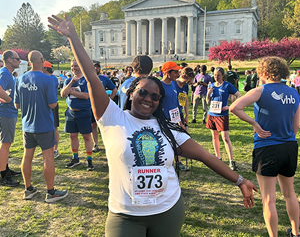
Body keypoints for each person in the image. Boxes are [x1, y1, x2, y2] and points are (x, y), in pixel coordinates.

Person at [48, 14, 257, 237]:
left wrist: (240, 181)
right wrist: (73, 38)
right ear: (131, 93)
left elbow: (207, 157)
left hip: (168, 211)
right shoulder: (112, 117)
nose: (149, 99)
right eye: (143, 92)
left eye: (156, 97)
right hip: (125, 214)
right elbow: (91, 76)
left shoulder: (168, 130)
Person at [230, 57, 300, 237]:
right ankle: (296, 232)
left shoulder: (261, 90)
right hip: (289, 146)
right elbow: (295, 126)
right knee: (290, 193)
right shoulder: (294, 93)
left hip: (267, 147)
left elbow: (235, 107)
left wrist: (255, 124)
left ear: (264, 72)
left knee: (269, 200)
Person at [14, 50, 68, 202]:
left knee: (27, 156)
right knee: (48, 157)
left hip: (27, 125)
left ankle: (28, 189)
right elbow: (53, 104)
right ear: (42, 60)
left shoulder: (20, 79)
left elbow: (17, 104)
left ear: (30, 62)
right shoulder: (48, 79)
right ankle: (51, 192)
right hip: (44, 125)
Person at [61, 59, 95, 171]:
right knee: (72, 136)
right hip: (71, 112)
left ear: (81, 66)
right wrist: (71, 83)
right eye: (72, 66)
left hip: (83, 112)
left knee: (86, 136)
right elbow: (62, 94)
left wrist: (71, 91)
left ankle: (89, 160)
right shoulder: (68, 80)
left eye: (76, 66)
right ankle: (75, 158)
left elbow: (86, 96)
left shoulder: (86, 80)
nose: (74, 68)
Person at [206, 67, 241, 171]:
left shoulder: (227, 85)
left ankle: (231, 161)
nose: (216, 77)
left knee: (225, 138)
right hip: (211, 114)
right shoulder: (211, 85)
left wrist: (230, 107)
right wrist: (209, 92)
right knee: (214, 136)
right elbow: (208, 101)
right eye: (215, 75)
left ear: (223, 76)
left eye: (218, 75)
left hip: (222, 115)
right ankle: (218, 158)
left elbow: (239, 96)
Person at [161, 61, 188, 171]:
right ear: (168, 72)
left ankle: (177, 162)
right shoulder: (159, 86)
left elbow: (175, 104)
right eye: (175, 72)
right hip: (163, 123)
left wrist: (180, 122)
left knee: (176, 144)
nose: (178, 74)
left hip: (174, 122)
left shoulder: (173, 84)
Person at [0, 50, 21, 187]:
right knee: (6, 144)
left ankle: (5, 169)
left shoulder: (7, 73)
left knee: (6, 144)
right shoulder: (5, 73)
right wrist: (8, 100)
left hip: (8, 113)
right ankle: (3, 176)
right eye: (17, 58)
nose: (19, 61)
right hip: (6, 114)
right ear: (9, 60)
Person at [92, 65, 117, 153]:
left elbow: (114, 89)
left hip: (102, 106)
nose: (95, 69)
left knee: (106, 125)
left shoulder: (104, 79)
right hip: (91, 105)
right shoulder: (87, 78)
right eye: (94, 67)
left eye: (97, 67)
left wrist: (109, 100)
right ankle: (96, 144)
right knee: (93, 125)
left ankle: (109, 143)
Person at [42, 61, 60, 159]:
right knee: (45, 128)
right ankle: (46, 149)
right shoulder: (46, 78)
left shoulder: (52, 78)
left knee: (54, 128)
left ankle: (55, 150)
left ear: (45, 68)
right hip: (44, 105)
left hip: (52, 105)